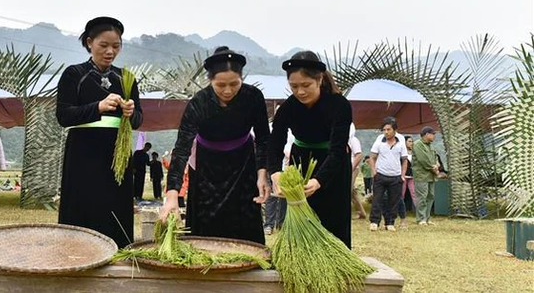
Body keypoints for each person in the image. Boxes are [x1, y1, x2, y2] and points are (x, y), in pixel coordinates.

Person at [160, 46, 270, 245]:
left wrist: (262, 174)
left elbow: (263, 138)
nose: (228, 90)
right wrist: (172, 194)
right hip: (207, 168)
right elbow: (182, 149)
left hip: (243, 165)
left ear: (242, 78)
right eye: (220, 85)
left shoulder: (253, 97)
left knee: (244, 222)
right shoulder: (198, 103)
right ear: (210, 80)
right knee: (205, 226)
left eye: (234, 84)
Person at [56, 16, 142, 247]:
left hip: (117, 153)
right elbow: (64, 116)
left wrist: (131, 112)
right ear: (89, 43)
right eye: (104, 45)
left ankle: (118, 250)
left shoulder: (126, 78)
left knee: (116, 203)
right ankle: (76, 251)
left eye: (116, 46)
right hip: (83, 151)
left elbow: (138, 121)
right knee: (83, 202)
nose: (110, 52)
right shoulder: (74, 74)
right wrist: (98, 107)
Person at [268, 51, 353, 248]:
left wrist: (319, 180)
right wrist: (275, 173)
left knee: (332, 219)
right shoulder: (288, 108)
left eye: (306, 85)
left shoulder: (339, 105)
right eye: (294, 86)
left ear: (320, 79)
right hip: (300, 162)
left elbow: (338, 149)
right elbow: (275, 143)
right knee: (302, 216)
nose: (300, 92)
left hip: (333, 166)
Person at [368, 117, 408, 232]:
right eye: (384, 129)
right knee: (377, 199)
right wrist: (374, 172)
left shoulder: (400, 141)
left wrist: (402, 175)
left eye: (388, 129)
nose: (386, 132)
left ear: (394, 130)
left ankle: (390, 222)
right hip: (380, 174)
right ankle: (374, 222)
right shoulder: (379, 140)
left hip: (395, 176)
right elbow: (372, 157)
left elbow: (404, 159)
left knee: (394, 201)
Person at [412, 126, 439, 225]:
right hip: (421, 175)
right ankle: (421, 218)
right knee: (422, 197)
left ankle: (427, 218)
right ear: (427, 134)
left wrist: (437, 165)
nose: (434, 136)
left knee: (430, 196)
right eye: (433, 134)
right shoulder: (418, 144)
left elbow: (435, 156)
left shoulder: (430, 145)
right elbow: (423, 159)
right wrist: (433, 168)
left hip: (431, 175)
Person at [349, 124, 367, 220]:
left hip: (353, 168)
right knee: (352, 191)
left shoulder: (353, 140)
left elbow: (359, 155)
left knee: (348, 189)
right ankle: (361, 212)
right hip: (343, 168)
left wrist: (350, 168)